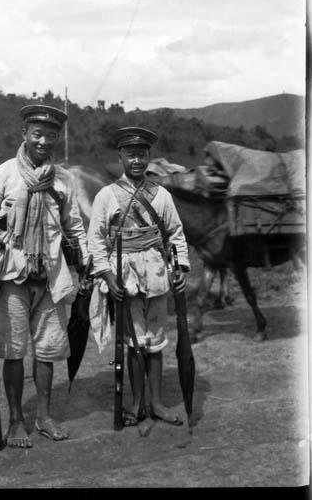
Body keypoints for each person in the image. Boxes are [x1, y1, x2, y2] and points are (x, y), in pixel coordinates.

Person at [0, 104, 88, 449]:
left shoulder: (64, 179)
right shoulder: (3, 174)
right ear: (25, 135)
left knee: (49, 351)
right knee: (14, 351)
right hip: (12, 278)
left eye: (51, 135)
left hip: (51, 277)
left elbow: (74, 226)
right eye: (37, 134)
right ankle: (17, 421)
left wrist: (85, 264)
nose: (43, 141)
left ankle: (44, 417)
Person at [87, 126, 190, 437]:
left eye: (142, 154)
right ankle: (137, 404)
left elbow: (176, 234)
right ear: (120, 156)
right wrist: (107, 274)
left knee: (155, 343)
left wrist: (179, 268)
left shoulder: (161, 195)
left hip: (157, 275)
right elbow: (96, 240)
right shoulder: (107, 195)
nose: (137, 160)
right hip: (125, 278)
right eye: (130, 154)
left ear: (149, 157)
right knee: (134, 344)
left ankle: (157, 403)